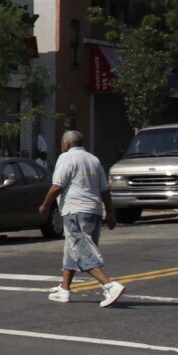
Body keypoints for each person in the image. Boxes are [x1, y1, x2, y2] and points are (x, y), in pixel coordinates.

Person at [37, 129, 125, 306]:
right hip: (94, 211)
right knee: (74, 248)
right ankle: (64, 289)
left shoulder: (66, 158)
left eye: (62, 143)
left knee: (82, 251)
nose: (62, 146)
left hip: (75, 210)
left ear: (67, 144)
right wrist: (110, 213)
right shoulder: (93, 159)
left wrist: (45, 205)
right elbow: (104, 189)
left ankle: (109, 285)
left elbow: (57, 186)